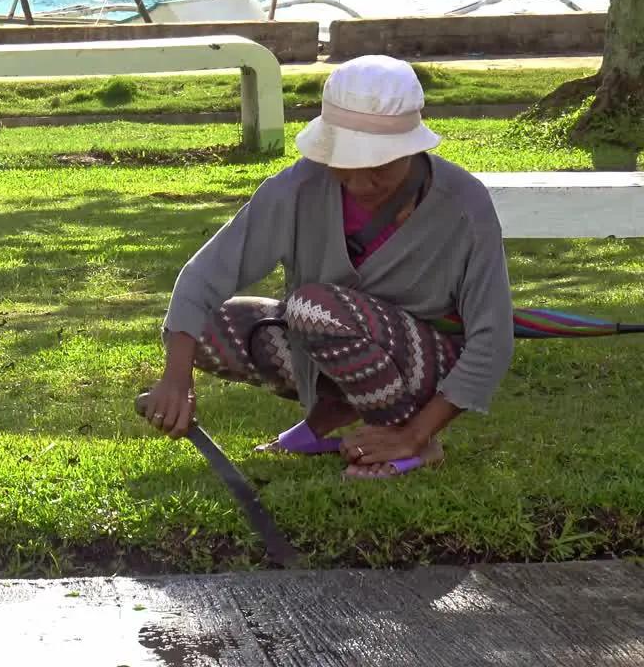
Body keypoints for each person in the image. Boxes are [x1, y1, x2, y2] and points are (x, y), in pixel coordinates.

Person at [141, 54, 515, 478]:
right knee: (202, 329)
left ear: (411, 148)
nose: (358, 183)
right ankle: (324, 422)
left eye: (377, 167)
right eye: (345, 164)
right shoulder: (299, 187)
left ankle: (408, 441)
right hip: (328, 338)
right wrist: (176, 377)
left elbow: (492, 338)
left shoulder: (464, 204)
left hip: (422, 368)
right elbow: (203, 276)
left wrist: (416, 432)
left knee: (311, 309)